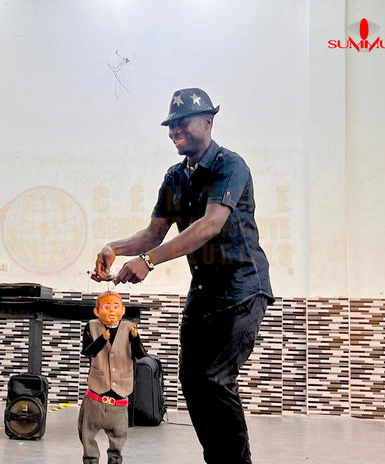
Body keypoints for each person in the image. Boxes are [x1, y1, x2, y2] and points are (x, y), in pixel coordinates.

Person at [92, 88, 274, 464]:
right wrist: (114, 247)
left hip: (242, 288)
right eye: (170, 126)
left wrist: (148, 261)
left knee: (215, 377)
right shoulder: (175, 177)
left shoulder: (230, 165)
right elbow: (153, 233)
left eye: (182, 123)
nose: (175, 131)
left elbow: (210, 225)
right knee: (192, 380)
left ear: (208, 121)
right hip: (204, 291)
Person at [78, 291, 147, 464]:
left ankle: (115, 460)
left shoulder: (129, 328)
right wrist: (102, 339)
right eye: (107, 307)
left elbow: (141, 355)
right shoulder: (91, 326)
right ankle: (90, 459)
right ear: (97, 311)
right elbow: (87, 351)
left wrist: (135, 339)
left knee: (119, 435)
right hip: (96, 391)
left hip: (120, 392)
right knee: (87, 432)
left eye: (116, 307)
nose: (111, 311)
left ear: (123, 310)